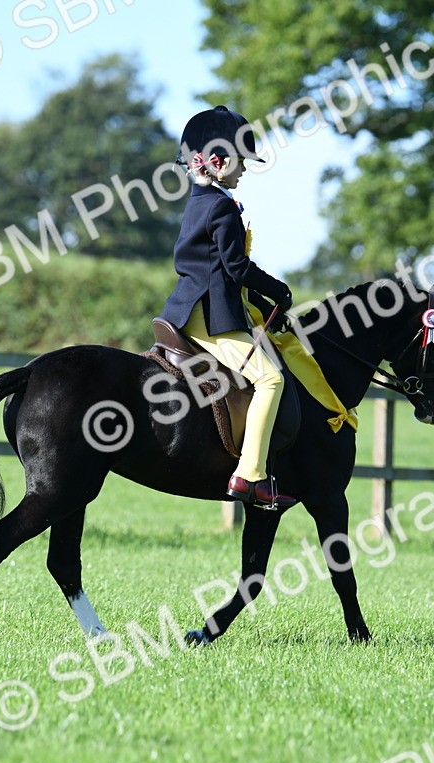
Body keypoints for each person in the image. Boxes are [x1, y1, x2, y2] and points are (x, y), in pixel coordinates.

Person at [160, 105, 295, 509]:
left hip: (194, 305)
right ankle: (250, 475)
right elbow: (235, 266)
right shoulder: (220, 206)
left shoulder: (201, 200)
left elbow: (218, 267)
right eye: (240, 164)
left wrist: (257, 298)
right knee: (271, 379)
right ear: (217, 162)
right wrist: (278, 289)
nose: (244, 172)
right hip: (208, 316)